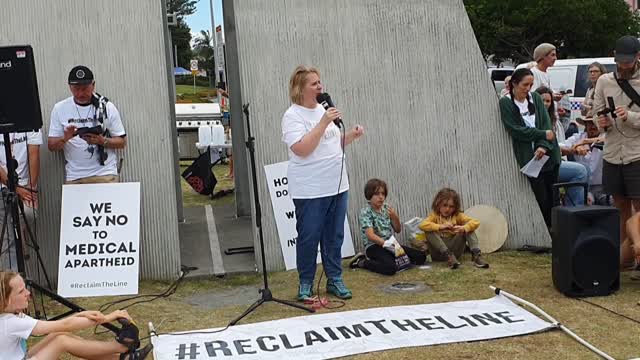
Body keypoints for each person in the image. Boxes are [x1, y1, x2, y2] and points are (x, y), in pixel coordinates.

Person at [281, 65, 364, 301]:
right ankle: (306, 282)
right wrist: (323, 123)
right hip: (310, 189)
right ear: (300, 88)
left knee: (334, 235)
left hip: (337, 185)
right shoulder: (292, 116)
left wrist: (352, 136)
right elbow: (302, 149)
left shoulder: (323, 109)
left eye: (320, 82)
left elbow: (332, 144)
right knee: (309, 236)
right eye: (314, 83)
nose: (320, 86)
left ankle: (334, 279)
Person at [0, 271, 153, 359]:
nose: (28, 293)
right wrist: (107, 317)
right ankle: (119, 347)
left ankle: (125, 358)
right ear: (5, 300)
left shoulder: (12, 315)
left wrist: (83, 314)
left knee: (58, 334)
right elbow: (64, 324)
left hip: (22, 356)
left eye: (25, 288)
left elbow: (61, 325)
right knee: (61, 341)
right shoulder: (9, 322)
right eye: (21, 291)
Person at [593, 35, 640, 268]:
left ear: (638, 57)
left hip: (637, 152)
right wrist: (600, 121)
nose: (623, 66)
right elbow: (597, 111)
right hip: (612, 152)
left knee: (639, 209)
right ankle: (625, 257)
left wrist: (630, 117)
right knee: (620, 206)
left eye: (628, 62)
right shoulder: (604, 81)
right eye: (620, 61)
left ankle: (636, 252)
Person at [500, 68, 561, 228]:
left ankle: (556, 230)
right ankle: (544, 230)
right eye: (524, 85)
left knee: (552, 195)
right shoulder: (506, 102)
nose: (527, 88)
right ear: (514, 84)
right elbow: (516, 130)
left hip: (548, 154)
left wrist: (543, 145)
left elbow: (547, 124)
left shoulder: (535, 98)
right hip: (529, 158)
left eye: (531, 85)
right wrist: (541, 134)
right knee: (540, 196)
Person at [48, 65, 127, 184]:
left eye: (85, 88)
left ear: (93, 85)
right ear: (70, 87)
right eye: (76, 89)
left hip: (105, 174)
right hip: (75, 176)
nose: (80, 93)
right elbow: (51, 146)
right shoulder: (59, 108)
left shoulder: (106, 106)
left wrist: (102, 141)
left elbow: (122, 142)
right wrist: (65, 138)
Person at [349, 179, 426, 275]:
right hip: (374, 246)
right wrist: (386, 244)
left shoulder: (386, 208)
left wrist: (395, 217)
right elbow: (370, 235)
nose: (381, 197)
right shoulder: (366, 212)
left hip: (391, 244)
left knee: (421, 256)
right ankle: (362, 262)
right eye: (377, 194)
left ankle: (396, 259)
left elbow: (398, 230)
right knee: (390, 268)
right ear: (369, 195)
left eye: (383, 194)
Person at [536, 86, 589, 206]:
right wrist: (572, 150)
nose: (545, 104)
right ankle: (574, 210)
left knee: (586, 169)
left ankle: (582, 202)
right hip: (543, 163)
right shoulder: (533, 119)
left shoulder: (554, 121)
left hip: (555, 160)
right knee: (580, 171)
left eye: (548, 101)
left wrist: (572, 149)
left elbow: (559, 144)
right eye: (542, 100)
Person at [0, 129, 42, 270]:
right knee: (8, 236)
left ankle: (20, 244)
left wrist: (31, 188)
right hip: (3, 186)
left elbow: (34, 154)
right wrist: (16, 189)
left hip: (24, 185)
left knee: (29, 214)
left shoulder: (28, 121)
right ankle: (14, 284)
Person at [418, 188, 487, 269]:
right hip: (438, 253)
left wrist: (463, 228)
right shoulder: (434, 216)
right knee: (428, 230)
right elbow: (421, 225)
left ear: (455, 207)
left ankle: (476, 256)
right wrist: (440, 227)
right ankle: (448, 256)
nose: (447, 209)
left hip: (455, 253)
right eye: (444, 205)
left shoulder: (458, 215)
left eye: (451, 206)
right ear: (438, 203)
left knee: (468, 228)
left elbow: (476, 222)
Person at [562, 117, 607, 205]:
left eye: (595, 123)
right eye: (590, 123)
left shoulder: (606, 137)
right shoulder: (577, 137)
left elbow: (610, 140)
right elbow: (559, 147)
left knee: (613, 203)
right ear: (585, 125)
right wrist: (573, 149)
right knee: (582, 203)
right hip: (583, 186)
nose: (593, 126)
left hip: (603, 187)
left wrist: (585, 142)